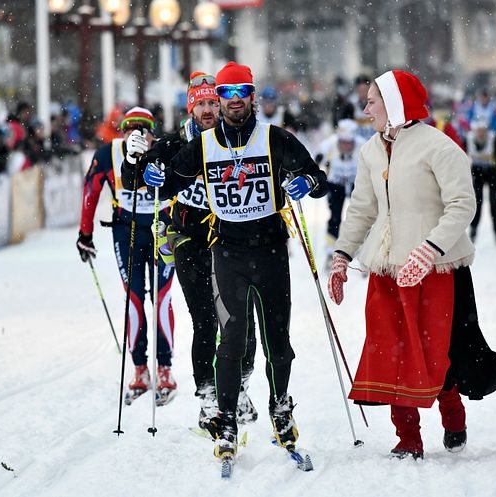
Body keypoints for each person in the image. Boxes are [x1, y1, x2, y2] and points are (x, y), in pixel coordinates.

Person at [124, 61, 328, 460]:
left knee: (272, 338)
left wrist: (309, 182)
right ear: (205, 104)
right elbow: (159, 182)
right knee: (220, 329)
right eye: (222, 97)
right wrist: (138, 166)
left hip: (267, 247)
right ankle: (220, 411)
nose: (227, 103)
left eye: (239, 94)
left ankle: (274, 404)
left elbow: (316, 176)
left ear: (251, 96)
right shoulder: (192, 145)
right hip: (212, 247)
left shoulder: (272, 138)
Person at [327, 70, 496, 460]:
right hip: (387, 270)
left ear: (395, 104)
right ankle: (408, 437)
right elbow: (362, 210)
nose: (366, 108)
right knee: (390, 351)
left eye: (372, 101)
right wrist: (342, 257)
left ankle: (452, 412)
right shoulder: (370, 151)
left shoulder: (440, 147)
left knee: (435, 352)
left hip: (436, 272)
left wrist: (428, 249)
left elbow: (463, 204)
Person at [124, 72, 259, 430]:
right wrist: (133, 159)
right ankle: (208, 397)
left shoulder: (236, 141)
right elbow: (133, 181)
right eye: (201, 103)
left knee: (240, 322)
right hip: (188, 239)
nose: (209, 109)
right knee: (205, 320)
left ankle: (241, 387)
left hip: (230, 241)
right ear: (191, 107)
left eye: (214, 102)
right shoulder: (172, 145)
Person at [76, 106, 178, 406]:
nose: (136, 134)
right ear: (121, 131)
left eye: (143, 128)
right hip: (127, 231)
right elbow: (90, 190)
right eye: (129, 128)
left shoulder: (162, 149)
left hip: (160, 227)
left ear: (152, 131)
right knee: (134, 298)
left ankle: (165, 369)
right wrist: (85, 233)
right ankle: (139, 368)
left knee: (162, 298)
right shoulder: (109, 153)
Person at [314, 118, 365, 264]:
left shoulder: (362, 145)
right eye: (342, 142)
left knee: (360, 215)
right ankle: (331, 252)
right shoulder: (330, 143)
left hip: (356, 182)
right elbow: (316, 157)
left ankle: (362, 248)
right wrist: (318, 161)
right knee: (335, 217)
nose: (345, 146)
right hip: (335, 182)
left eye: (349, 143)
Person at [467, 118, 496, 245]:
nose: (480, 133)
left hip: (492, 174)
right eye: (478, 131)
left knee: (493, 202)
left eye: (482, 131)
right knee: (477, 203)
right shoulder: (468, 140)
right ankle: (473, 230)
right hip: (477, 174)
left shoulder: (495, 140)